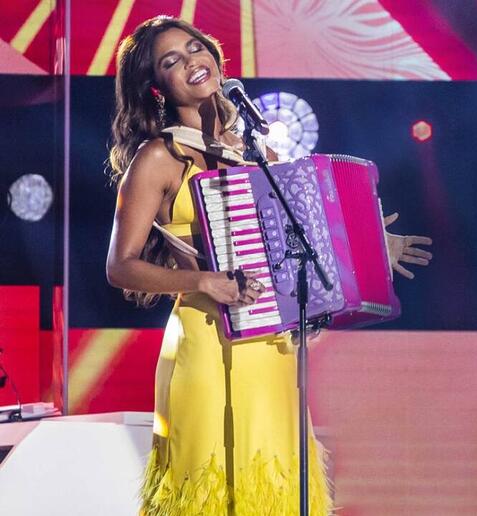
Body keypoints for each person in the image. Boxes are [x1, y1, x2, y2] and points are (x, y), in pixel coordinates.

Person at [105, 16, 431, 515]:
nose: (193, 62)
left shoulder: (259, 151)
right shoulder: (159, 157)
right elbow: (120, 266)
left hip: (272, 345)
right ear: (157, 89)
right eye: (172, 61)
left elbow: (290, 246)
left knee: (274, 488)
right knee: (211, 489)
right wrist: (204, 281)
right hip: (206, 341)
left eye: (196, 49)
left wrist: (364, 247)